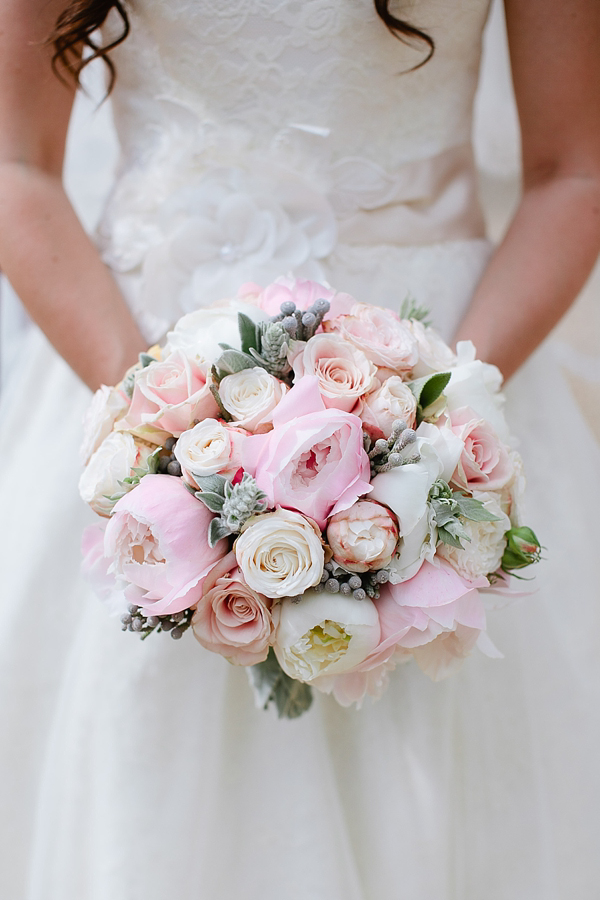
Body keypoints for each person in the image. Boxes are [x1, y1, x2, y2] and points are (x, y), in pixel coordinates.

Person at [0, 0, 599, 897]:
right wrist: (167, 447)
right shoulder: (159, 426)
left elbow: (574, 169)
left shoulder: (433, 423)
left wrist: (426, 439)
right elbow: (16, 165)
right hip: (142, 363)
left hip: (446, 363)